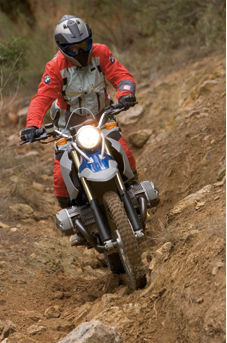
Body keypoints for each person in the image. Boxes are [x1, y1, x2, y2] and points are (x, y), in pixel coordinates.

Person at [20, 15, 138, 208]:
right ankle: (73, 212)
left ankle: (134, 190)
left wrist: (126, 94)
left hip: (101, 117)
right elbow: (41, 98)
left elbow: (121, 75)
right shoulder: (55, 67)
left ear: (90, 40)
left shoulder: (101, 52)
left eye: (84, 44)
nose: (81, 51)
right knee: (60, 177)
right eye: (74, 48)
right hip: (68, 125)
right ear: (63, 48)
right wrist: (32, 125)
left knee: (123, 151)